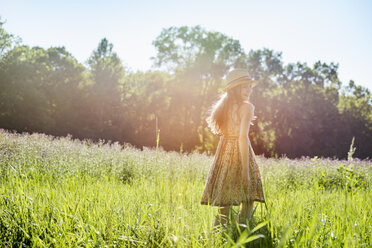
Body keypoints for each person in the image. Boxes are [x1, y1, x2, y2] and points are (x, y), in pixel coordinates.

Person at [200, 68, 265, 227]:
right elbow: (243, 137)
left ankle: (217, 238)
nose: (249, 90)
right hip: (241, 151)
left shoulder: (224, 107)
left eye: (250, 86)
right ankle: (242, 233)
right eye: (244, 86)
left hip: (224, 153)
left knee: (225, 202)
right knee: (248, 198)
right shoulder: (247, 107)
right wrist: (245, 169)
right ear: (235, 89)